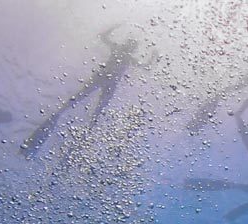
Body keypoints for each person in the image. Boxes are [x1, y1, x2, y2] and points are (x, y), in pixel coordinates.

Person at [20, 27, 153, 158]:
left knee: (91, 109)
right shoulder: (120, 50)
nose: (129, 47)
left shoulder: (124, 54)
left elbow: (144, 65)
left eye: (131, 46)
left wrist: (153, 56)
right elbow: (104, 37)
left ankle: (81, 136)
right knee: (82, 105)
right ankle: (77, 133)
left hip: (105, 80)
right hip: (104, 79)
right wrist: (115, 27)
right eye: (130, 45)